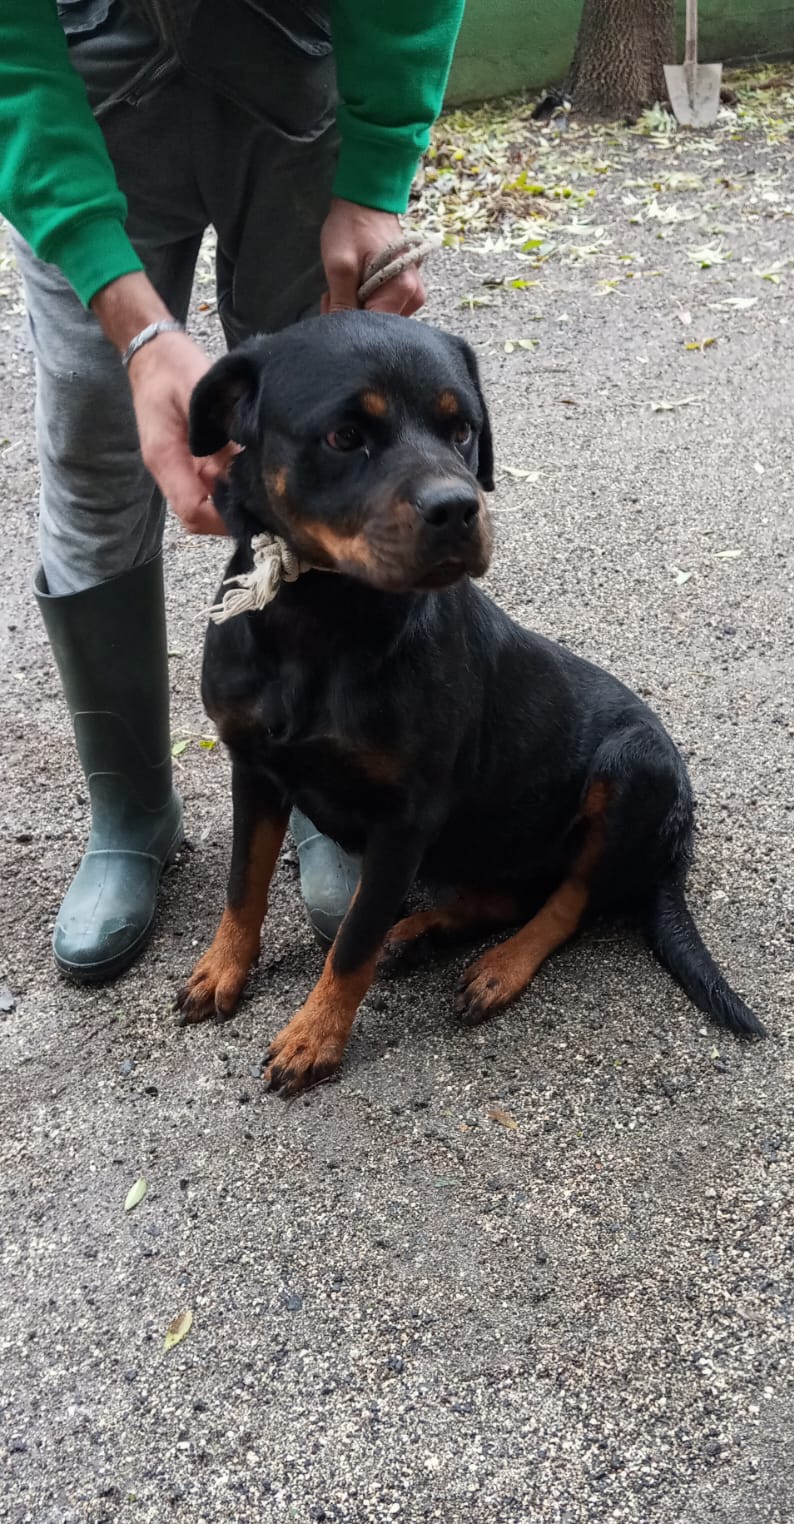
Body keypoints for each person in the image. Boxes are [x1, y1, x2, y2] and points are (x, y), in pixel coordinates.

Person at [1, 0, 465, 979]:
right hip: (77, 64)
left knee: (327, 432)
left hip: (292, 50)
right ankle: (132, 812)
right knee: (93, 444)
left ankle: (326, 784)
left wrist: (375, 172)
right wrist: (131, 325)